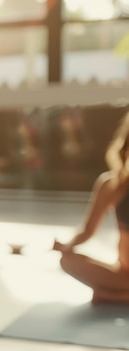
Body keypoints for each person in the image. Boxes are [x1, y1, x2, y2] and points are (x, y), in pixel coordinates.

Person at [53, 112, 129, 304]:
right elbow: (88, 230)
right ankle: (121, 294)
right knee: (68, 261)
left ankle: (117, 296)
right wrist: (68, 246)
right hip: (122, 273)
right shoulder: (111, 184)